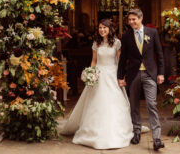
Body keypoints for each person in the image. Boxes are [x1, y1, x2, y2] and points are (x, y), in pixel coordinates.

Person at [59, 19, 133, 149]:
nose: (102, 30)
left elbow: (119, 61)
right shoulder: (96, 43)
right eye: (100, 28)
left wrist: (121, 76)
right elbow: (94, 60)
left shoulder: (116, 43)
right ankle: (93, 131)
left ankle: (114, 131)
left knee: (113, 103)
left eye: (104, 28)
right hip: (98, 75)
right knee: (96, 103)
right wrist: (91, 72)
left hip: (112, 75)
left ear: (110, 29)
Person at [117, 9, 165, 151]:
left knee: (151, 104)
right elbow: (123, 59)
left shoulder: (152, 33)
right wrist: (120, 76)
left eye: (134, 19)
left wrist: (161, 73)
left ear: (141, 18)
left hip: (150, 74)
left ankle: (156, 138)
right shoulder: (126, 36)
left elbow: (160, 54)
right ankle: (136, 132)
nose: (131, 22)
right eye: (129, 20)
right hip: (133, 75)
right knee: (134, 106)